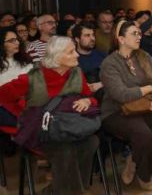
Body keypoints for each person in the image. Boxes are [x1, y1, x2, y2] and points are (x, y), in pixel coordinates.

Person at [0, 36, 100, 195]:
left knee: (92, 141)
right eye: (71, 52)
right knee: (65, 149)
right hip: (43, 132)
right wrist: (23, 115)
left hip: (69, 127)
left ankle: (59, 190)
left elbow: (91, 98)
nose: (77, 55)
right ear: (57, 57)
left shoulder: (76, 74)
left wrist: (88, 101)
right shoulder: (32, 78)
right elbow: (3, 95)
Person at [100, 20, 152, 191]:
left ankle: (141, 168)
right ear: (121, 39)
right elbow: (121, 94)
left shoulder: (144, 56)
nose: (139, 36)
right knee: (143, 133)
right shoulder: (109, 63)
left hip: (145, 106)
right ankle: (141, 169)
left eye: (139, 33)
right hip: (117, 111)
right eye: (134, 34)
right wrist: (148, 89)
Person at [0, 27, 33, 126]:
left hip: (27, 104)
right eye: (12, 40)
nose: (17, 43)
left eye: (17, 39)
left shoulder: (26, 62)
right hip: (4, 107)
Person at [71, 22, 105, 102]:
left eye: (93, 35)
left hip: (105, 97)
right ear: (77, 39)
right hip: (82, 100)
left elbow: (116, 77)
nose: (92, 38)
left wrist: (101, 84)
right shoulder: (71, 59)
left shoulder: (103, 55)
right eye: (87, 35)